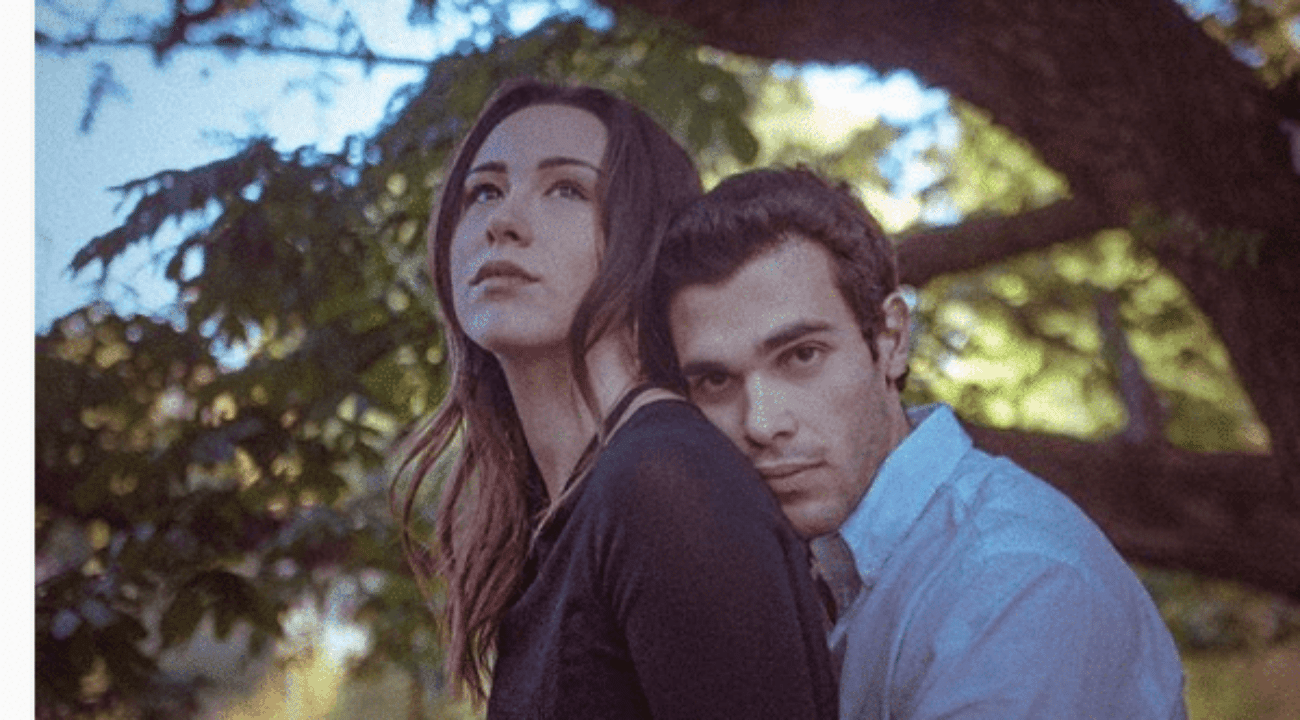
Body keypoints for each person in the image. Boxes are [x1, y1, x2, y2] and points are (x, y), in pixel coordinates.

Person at [644, 167, 1189, 719]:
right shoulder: (806, 566)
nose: (760, 424)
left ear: (892, 339)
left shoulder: (1011, 579)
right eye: (716, 381)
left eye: (802, 355)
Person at [392, 82, 837, 719]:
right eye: (483, 191)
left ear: (642, 238)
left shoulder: (666, 482)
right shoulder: (577, 510)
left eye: (567, 190)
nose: (502, 220)